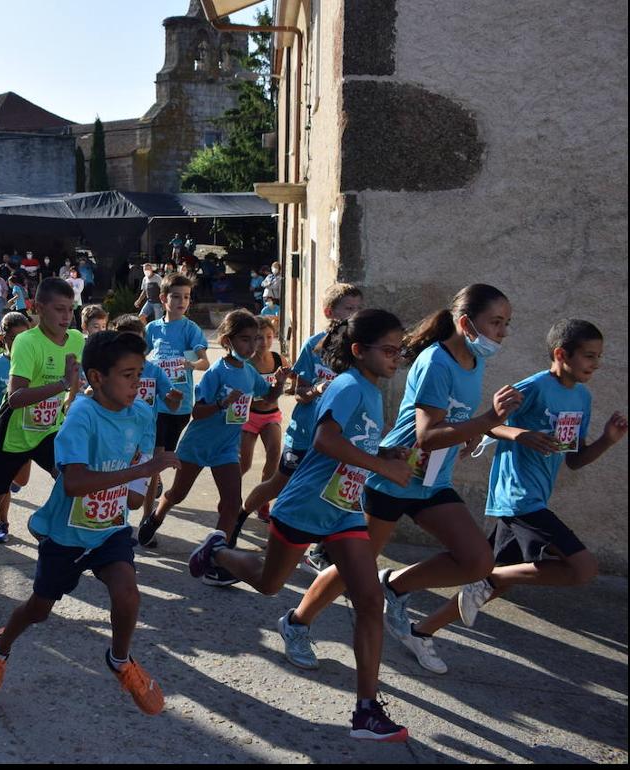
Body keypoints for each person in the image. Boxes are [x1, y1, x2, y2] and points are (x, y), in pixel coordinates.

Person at [192, 309, 414, 742]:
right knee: (269, 583)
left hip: (344, 509)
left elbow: (353, 445)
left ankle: (366, 712)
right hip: (305, 505)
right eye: (388, 350)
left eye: (398, 350)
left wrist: (386, 456)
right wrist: (381, 469)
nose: (395, 358)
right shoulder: (348, 385)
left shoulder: (371, 390)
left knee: (369, 601)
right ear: (358, 351)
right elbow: (325, 441)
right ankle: (217, 551)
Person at [284, 284, 523, 677]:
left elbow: (452, 420)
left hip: (432, 479)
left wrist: (472, 431)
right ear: (465, 323)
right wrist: (486, 421)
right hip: (395, 475)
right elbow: (427, 433)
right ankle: (296, 622)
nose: (503, 332)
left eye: (506, 323)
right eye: (496, 322)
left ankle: (393, 589)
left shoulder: (472, 362)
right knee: (349, 569)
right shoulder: (436, 362)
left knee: (477, 559)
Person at [0, 330, 180, 715]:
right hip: (67, 536)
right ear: (97, 377)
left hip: (109, 531)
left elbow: (142, 459)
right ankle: (0, 646)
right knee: (38, 609)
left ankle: (120, 660)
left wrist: (140, 481)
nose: (137, 384)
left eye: (140, 374)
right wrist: (144, 469)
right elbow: (74, 484)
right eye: (127, 375)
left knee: (127, 593)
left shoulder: (140, 412)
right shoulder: (80, 417)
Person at [408, 319, 626, 652]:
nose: (596, 364)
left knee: (494, 579)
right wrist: (521, 434)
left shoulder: (582, 397)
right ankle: (479, 582)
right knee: (583, 568)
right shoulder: (534, 387)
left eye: (598, 356)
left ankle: (421, 630)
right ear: (561, 354)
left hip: (535, 498)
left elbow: (575, 459)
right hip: (517, 498)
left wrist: (607, 441)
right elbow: (489, 425)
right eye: (588, 356)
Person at [0, 278, 84, 589]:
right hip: (13, 434)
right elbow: (16, 396)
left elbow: (80, 380)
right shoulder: (27, 342)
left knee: (73, 480)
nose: (66, 316)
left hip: (50, 432)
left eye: (70, 310)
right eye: (59, 309)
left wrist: (75, 392)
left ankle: (46, 526)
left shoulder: (76, 339)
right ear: (39, 309)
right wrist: (62, 384)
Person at [144, 310, 288, 586]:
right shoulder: (215, 372)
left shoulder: (249, 372)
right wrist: (223, 403)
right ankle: (157, 514)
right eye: (245, 339)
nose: (251, 345)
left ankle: (217, 556)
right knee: (178, 493)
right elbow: (197, 412)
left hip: (225, 448)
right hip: (198, 446)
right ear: (227, 341)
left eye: (255, 339)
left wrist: (279, 384)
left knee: (232, 503)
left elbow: (267, 397)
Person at [242, 284, 363, 565]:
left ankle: (320, 550)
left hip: (338, 440)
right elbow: (298, 391)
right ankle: (238, 517)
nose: (354, 314)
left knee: (330, 493)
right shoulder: (314, 345)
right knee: (279, 486)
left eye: (358, 309)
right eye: (348, 309)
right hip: (305, 435)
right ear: (329, 312)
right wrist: (318, 389)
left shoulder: (360, 352)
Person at [136, 273, 210, 545]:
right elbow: (142, 358)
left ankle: (155, 486)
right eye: (176, 296)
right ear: (163, 298)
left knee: (163, 458)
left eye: (187, 297)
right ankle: (147, 521)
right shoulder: (153, 328)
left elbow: (204, 362)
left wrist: (186, 364)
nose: (182, 301)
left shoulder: (190, 330)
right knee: (154, 461)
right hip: (155, 405)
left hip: (179, 406)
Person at [110, 314, 183, 516]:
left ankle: (146, 517)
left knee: (135, 498)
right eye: (126, 341)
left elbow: (172, 405)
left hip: (145, 440)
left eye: (137, 340)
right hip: (114, 438)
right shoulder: (109, 369)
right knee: (112, 486)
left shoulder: (154, 371)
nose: (132, 346)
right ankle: (114, 525)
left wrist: (174, 398)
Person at [0, 312, 33, 544]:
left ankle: (7, 481)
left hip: (26, 431)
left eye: (26, 338)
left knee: (21, 480)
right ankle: (3, 522)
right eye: (15, 338)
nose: (21, 343)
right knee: (1, 485)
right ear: (4, 338)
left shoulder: (33, 362)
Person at [239, 316, 289, 518]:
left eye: (269, 337)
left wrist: (287, 380)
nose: (265, 342)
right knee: (245, 463)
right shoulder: (245, 362)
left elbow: (290, 378)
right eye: (259, 337)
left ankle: (263, 503)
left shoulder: (278, 359)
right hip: (249, 416)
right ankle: (230, 497)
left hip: (271, 415)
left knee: (274, 456)